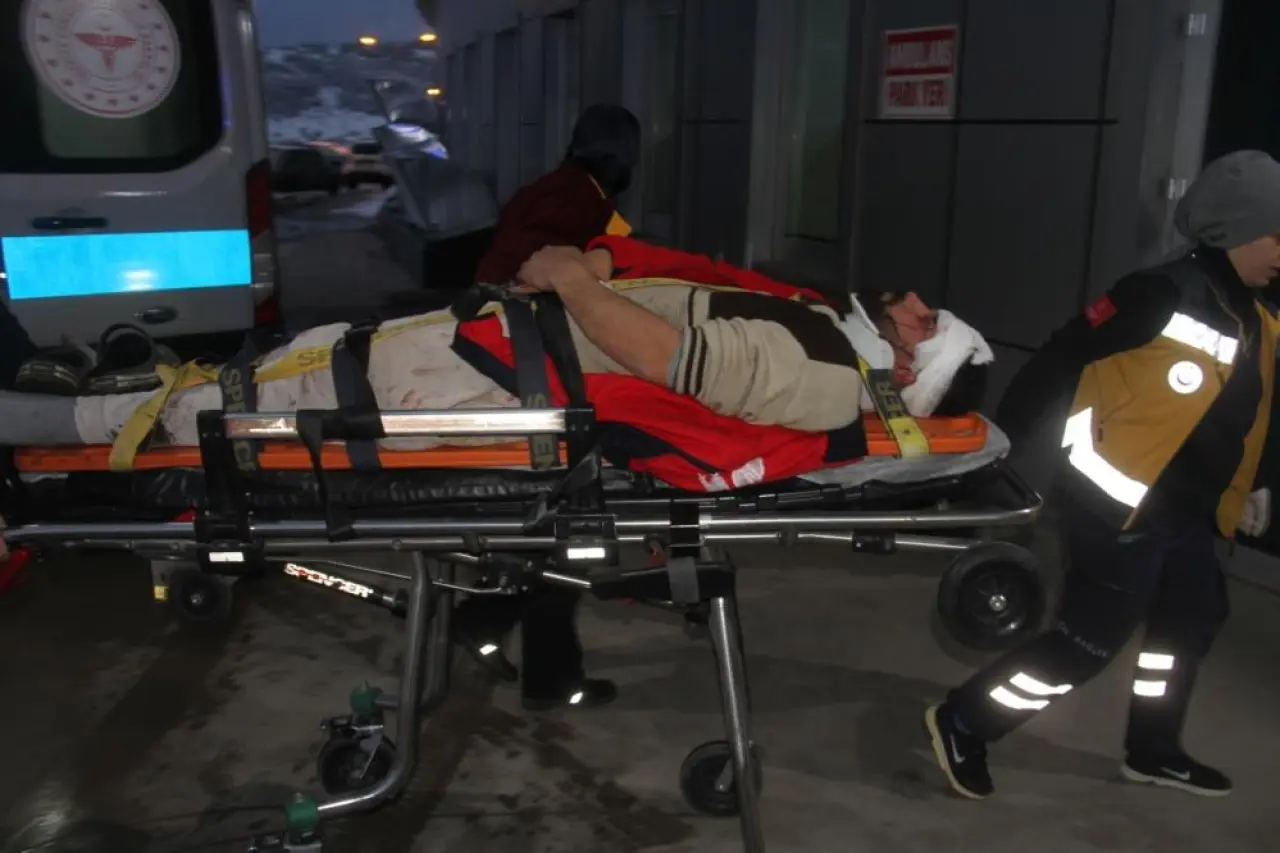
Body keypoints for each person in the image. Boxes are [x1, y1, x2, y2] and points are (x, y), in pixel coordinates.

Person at [923, 149, 1280, 800]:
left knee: (1189, 621)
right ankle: (967, 720)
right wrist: (995, 450)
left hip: (1191, 512)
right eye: (1276, 234)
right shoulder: (1158, 294)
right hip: (1120, 511)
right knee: (1087, 642)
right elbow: (1059, 358)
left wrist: (1253, 481)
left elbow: (1248, 410)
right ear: (1234, 228)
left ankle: (1153, 748)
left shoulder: (1258, 317)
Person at [448, 102, 641, 711]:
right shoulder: (576, 203)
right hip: (530, 371)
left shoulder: (558, 189)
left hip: (513, 363)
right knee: (569, 528)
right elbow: (546, 281)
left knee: (552, 529)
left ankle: (487, 624)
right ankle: (547, 675)